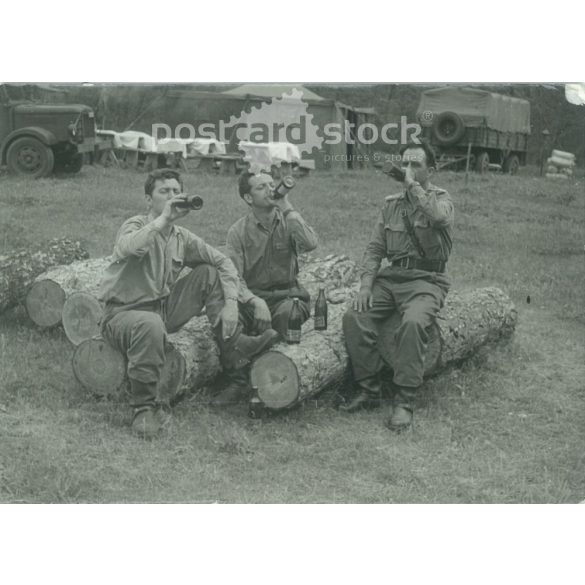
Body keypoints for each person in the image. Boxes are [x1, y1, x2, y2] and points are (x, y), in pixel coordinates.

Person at [99, 168, 279, 438]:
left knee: (208, 273)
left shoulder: (181, 237)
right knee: (149, 324)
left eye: (175, 191)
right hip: (123, 314)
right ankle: (144, 408)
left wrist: (232, 303)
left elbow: (223, 262)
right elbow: (128, 248)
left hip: (162, 309)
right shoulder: (136, 225)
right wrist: (162, 220)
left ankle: (235, 349)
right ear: (149, 200)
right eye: (164, 191)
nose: (172, 196)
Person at [341, 143, 454, 432]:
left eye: (416, 164)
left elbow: (438, 218)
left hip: (426, 281)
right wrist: (366, 286)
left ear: (432, 169)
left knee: (414, 323)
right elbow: (375, 248)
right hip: (391, 280)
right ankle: (369, 389)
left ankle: (404, 400)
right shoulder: (391, 204)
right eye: (405, 163)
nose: (409, 169)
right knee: (355, 317)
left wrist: (412, 186)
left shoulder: (441, 199)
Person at [212, 170, 318, 405]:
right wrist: (254, 301)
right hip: (254, 296)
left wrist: (286, 205)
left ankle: (270, 381)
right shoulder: (237, 231)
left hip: (288, 295)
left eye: (272, 184)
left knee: (287, 315)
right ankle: (238, 381)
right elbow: (233, 277)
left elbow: (311, 244)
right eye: (261, 187)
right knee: (225, 316)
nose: (271, 189)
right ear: (248, 198)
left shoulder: (288, 219)